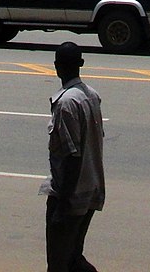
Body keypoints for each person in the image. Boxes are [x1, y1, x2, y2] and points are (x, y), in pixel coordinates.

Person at [44, 41, 105, 272]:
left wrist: (62, 205)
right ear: (80, 64)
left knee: (58, 263)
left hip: (71, 196)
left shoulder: (66, 103)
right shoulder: (92, 96)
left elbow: (72, 156)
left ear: (56, 67)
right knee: (73, 258)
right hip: (91, 190)